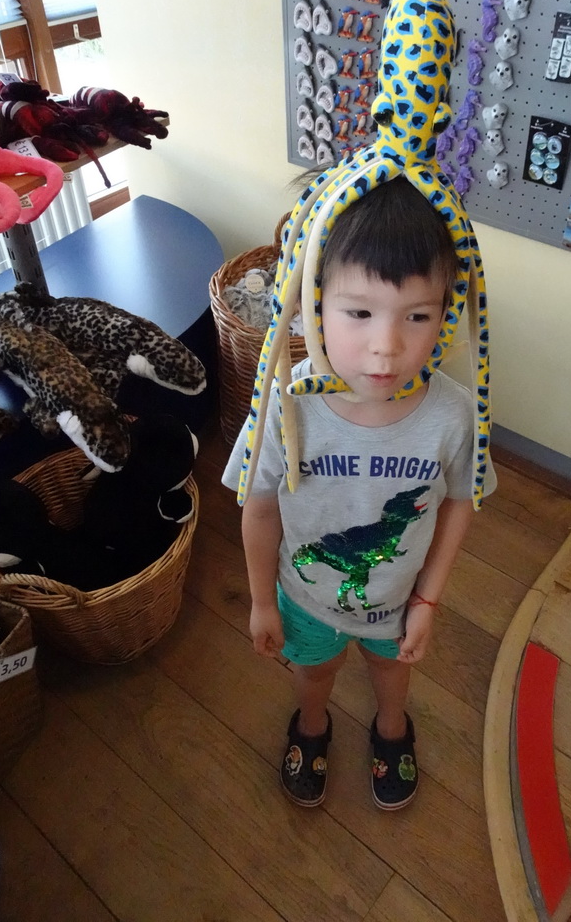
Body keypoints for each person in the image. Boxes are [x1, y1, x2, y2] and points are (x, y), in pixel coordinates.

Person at [222, 176, 497, 810]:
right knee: (313, 672)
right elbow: (259, 508)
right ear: (315, 303)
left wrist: (428, 598)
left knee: (390, 669)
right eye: (359, 312)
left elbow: (460, 500)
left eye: (418, 316)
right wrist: (262, 601)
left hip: (398, 602)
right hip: (305, 597)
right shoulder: (283, 407)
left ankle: (392, 727)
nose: (386, 346)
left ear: (447, 313)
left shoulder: (456, 416)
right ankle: (312, 724)